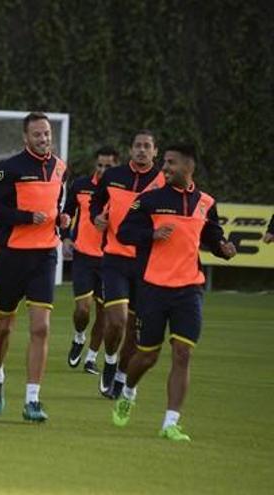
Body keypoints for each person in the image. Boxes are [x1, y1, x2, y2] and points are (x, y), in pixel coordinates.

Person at [111, 143, 236, 441]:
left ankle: (170, 423)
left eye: (171, 163)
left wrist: (223, 248)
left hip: (189, 289)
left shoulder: (205, 201)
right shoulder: (149, 200)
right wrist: (151, 235)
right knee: (147, 356)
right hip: (153, 288)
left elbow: (211, 233)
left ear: (189, 167)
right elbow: (125, 233)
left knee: (183, 353)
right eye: (164, 162)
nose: (164, 167)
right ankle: (128, 391)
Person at [0, 112, 70, 422]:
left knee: (41, 327)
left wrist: (63, 221)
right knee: (3, 328)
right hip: (12, 256)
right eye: (37, 135)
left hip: (45, 257)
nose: (44, 139)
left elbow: (58, 207)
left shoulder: (60, 168)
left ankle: (32, 400)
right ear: (25, 138)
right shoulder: (9, 169)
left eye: (47, 134)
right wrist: (25, 217)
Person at [90, 130, 165, 399]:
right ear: (131, 149)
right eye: (137, 146)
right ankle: (109, 361)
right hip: (114, 258)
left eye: (147, 146)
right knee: (117, 322)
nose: (142, 150)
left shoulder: (163, 181)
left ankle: (121, 375)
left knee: (133, 329)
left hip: (147, 263)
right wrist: (95, 216)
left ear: (155, 152)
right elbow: (96, 200)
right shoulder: (113, 176)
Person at [61, 146, 118, 374]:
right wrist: (65, 238)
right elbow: (67, 213)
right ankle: (78, 337)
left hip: (111, 261)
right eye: (100, 165)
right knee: (82, 310)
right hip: (83, 257)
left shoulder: (122, 191)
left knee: (105, 315)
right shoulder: (81, 186)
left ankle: (91, 358)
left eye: (109, 166)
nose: (103, 169)